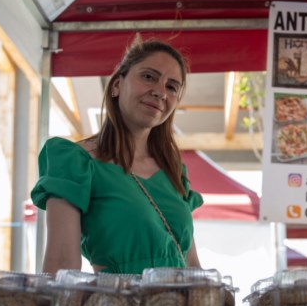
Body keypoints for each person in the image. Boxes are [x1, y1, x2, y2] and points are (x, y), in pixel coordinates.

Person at [31, 38, 204, 275]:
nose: (160, 92)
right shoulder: (75, 162)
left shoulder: (173, 169)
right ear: (116, 86)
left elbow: (192, 263)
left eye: (172, 86)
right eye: (148, 77)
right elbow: (61, 265)